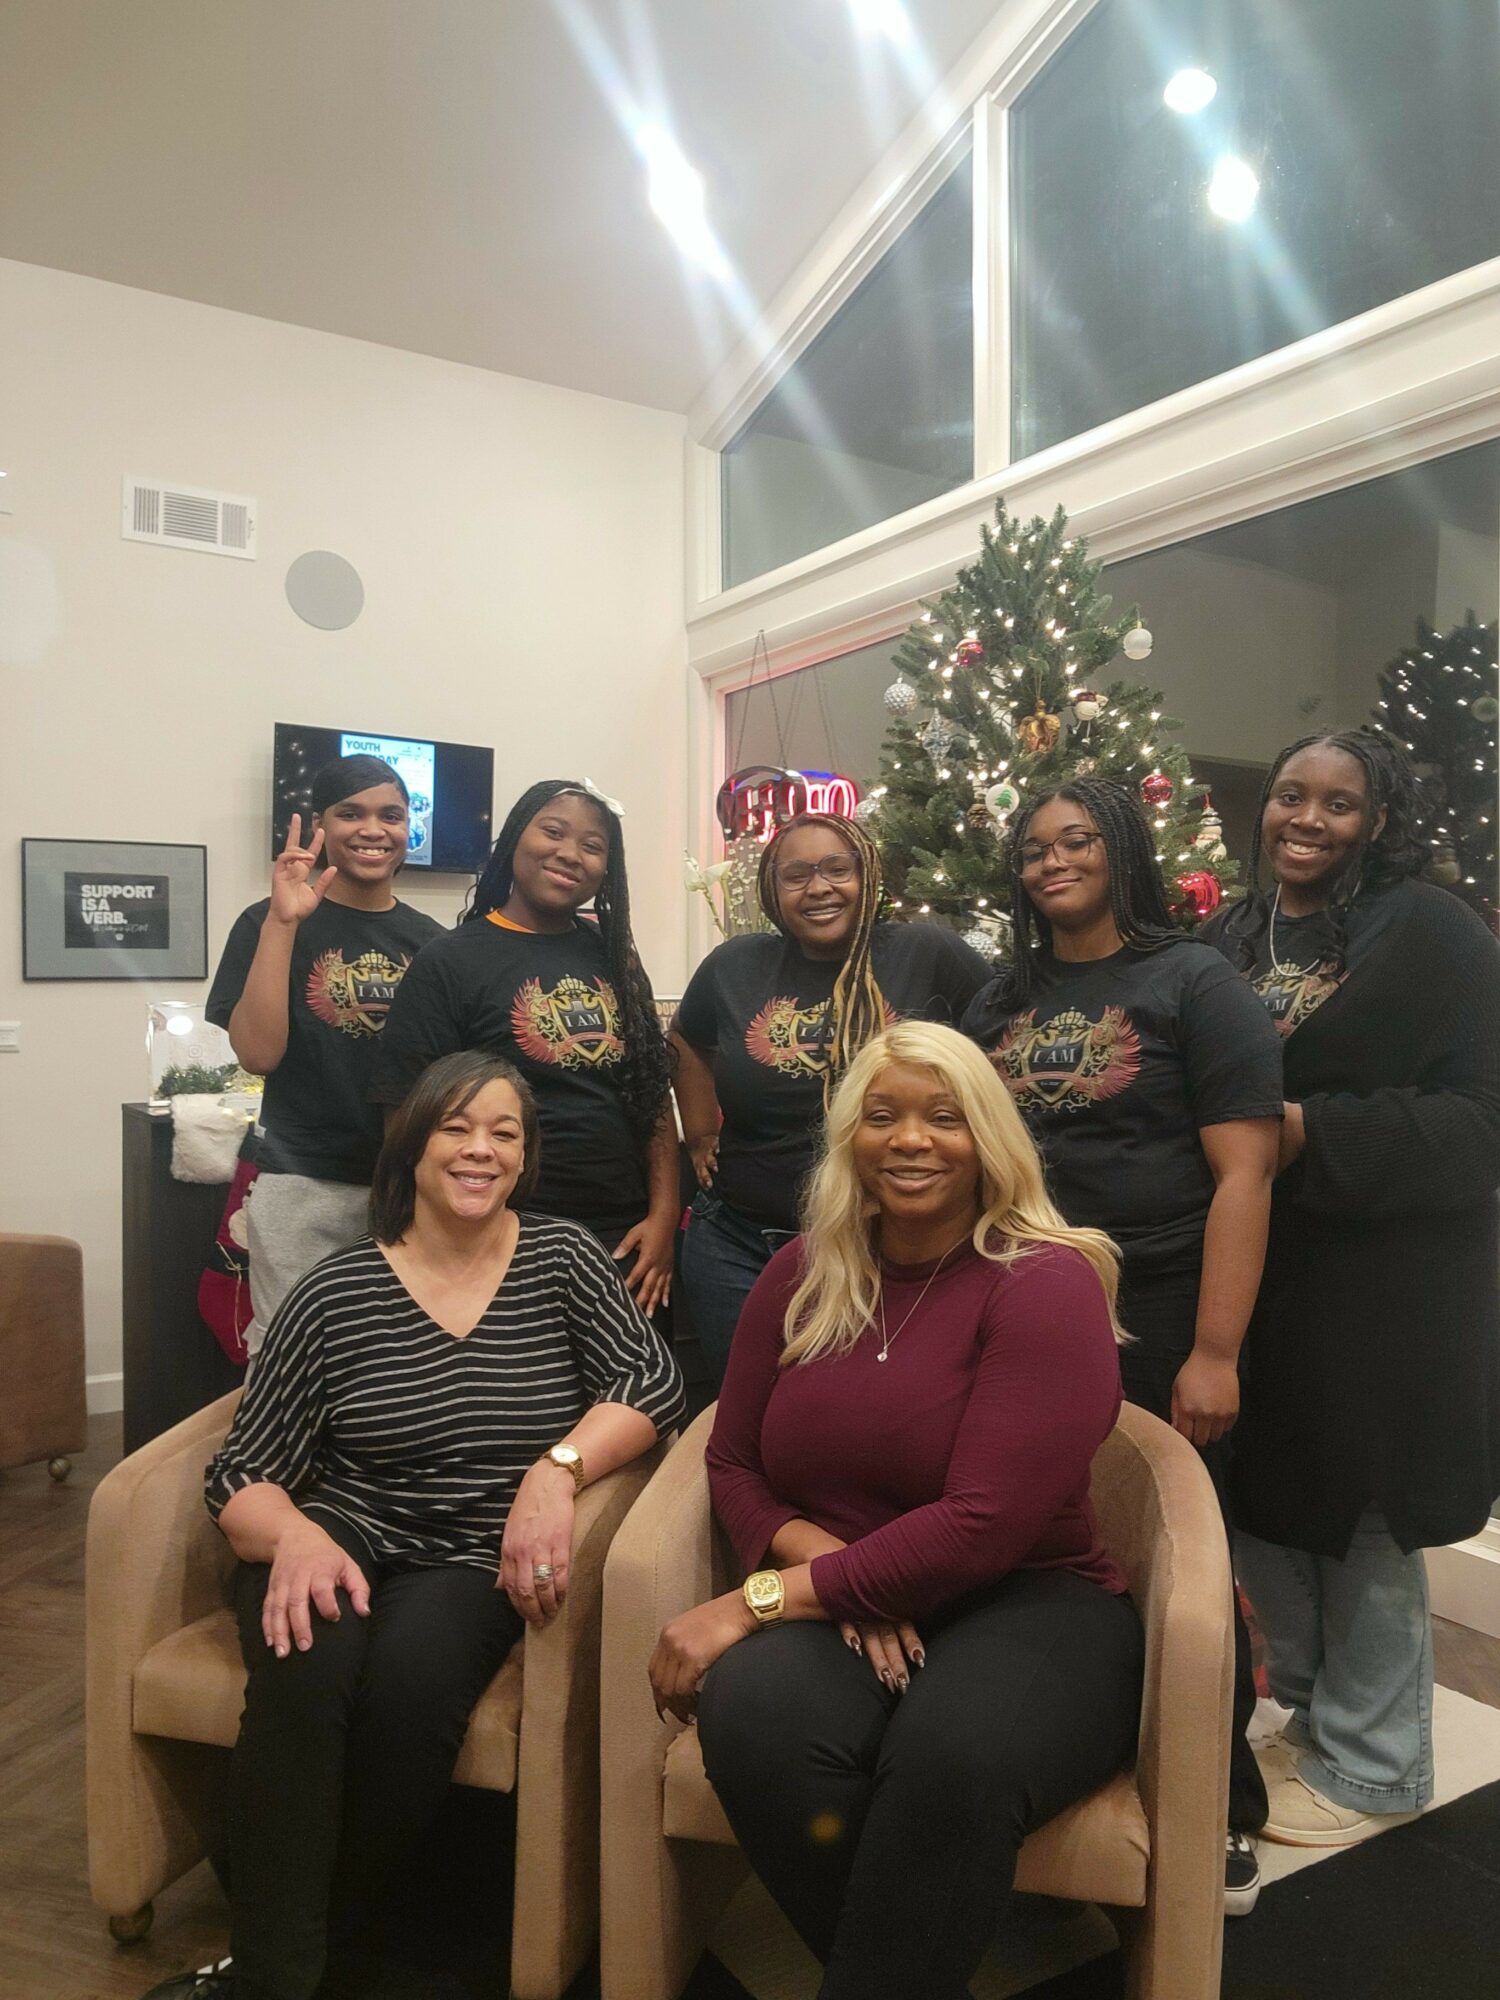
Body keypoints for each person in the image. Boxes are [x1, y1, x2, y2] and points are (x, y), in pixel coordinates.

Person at [143, 1050, 684, 2000]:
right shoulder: (336, 1290)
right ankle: (275, 1979)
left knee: (409, 1688)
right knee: (304, 1675)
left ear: (525, 1156)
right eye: (456, 1128)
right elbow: (243, 1470)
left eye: (504, 1133)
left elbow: (650, 1383)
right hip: (339, 1529)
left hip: (475, 1552)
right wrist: (296, 1536)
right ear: (413, 1146)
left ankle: (299, 1947)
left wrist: (556, 1471)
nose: (480, 1150)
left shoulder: (562, 1259)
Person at [649, 1021, 1141, 2000]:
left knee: (952, 1754)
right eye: (883, 1115)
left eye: (943, 1116)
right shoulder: (801, 1271)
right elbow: (732, 1459)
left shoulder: (1045, 1280)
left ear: (987, 1136)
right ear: (851, 1138)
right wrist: (829, 1567)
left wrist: (756, 1599)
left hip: (1030, 1596)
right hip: (843, 1592)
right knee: (753, 1714)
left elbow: (981, 1524)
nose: (911, 1138)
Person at [960, 777, 1283, 1913]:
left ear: (1124, 849)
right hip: (1019, 1304)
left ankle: (1220, 1793)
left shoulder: (1196, 981)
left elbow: (1246, 1173)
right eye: (1034, 847)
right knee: (1039, 1537)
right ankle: (1059, 1763)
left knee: (1183, 1556)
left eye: (1077, 840)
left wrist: (1215, 1351)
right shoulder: (999, 998)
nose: (1051, 861)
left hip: (1159, 1307)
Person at [1205, 728, 1500, 1846]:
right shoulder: (1232, 934)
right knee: (1277, 1504)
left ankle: (1378, 1765)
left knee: (1366, 1516)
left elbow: (1484, 1122)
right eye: (1291, 794)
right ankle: (1316, 1718)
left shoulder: (1433, 931)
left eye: (1339, 802)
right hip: (1264, 1279)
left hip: (1390, 1287)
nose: (1307, 819)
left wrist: (1308, 1132)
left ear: (1377, 818)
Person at [671, 812, 990, 1384]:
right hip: (737, 1246)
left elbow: (1001, 1032)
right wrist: (700, 1133)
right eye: (796, 875)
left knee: (856, 1410)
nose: (818, 888)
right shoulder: (735, 964)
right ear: (772, 890)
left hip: (882, 1249)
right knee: (742, 1407)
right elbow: (687, 1040)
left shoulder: (926, 952)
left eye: (837, 869)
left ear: (867, 875)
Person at [372, 779, 677, 1315]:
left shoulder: (615, 957)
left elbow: (651, 1092)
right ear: (515, 837)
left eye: (592, 845)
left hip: (623, 1234)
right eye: (553, 832)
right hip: (497, 1230)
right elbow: (406, 1116)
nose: (570, 854)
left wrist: (665, 1216)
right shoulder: (450, 961)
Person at [207, 754, 444, 1362]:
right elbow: (258, 1054)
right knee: (292, 1358)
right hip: (302, 1180)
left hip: (406, 1185)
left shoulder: (434, 943)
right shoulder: (264, 922)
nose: (373, 830)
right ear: (320, 826)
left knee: (397, 1360)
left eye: (391, 815)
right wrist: (284, 923)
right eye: (351, 814)